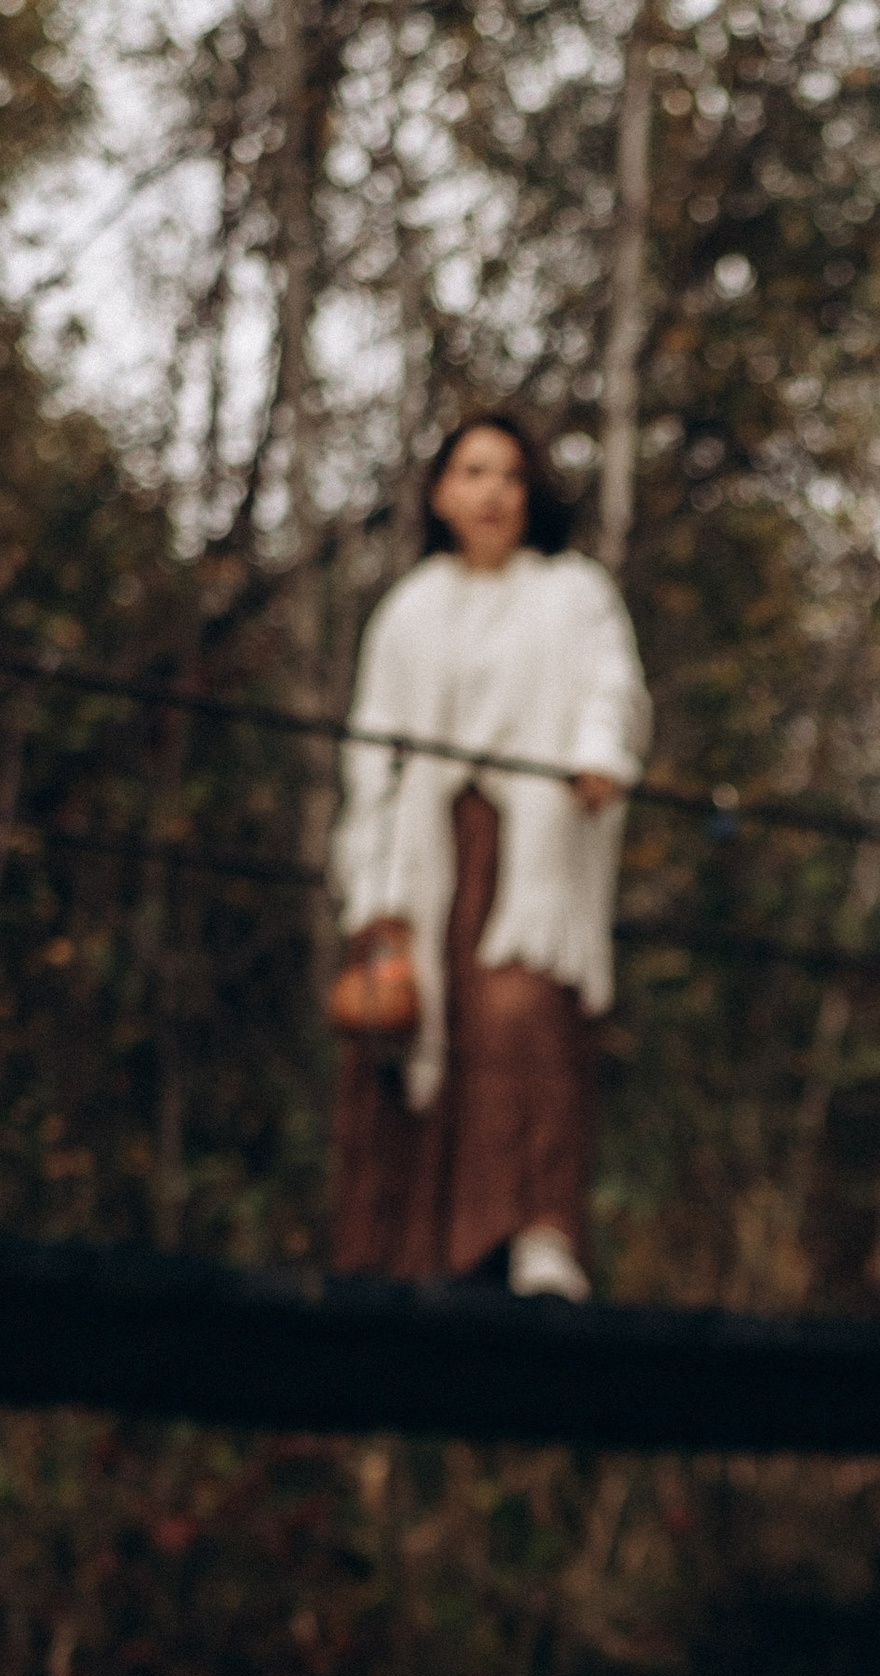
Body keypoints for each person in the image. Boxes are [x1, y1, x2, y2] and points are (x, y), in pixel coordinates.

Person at [327, 411, 651, 1300]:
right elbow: (374, 750)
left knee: (520, 1017)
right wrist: (374, 889)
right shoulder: (411, 609)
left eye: (508, 475)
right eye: (472, 473)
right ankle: (395, 1253)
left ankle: (536, 1236)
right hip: (423, 856)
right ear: (441, 493)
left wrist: (597, 758)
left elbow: (610, 689)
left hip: (532, 855)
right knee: (405, 1025)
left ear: (530, 492)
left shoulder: (572, 592)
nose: (491, 493)